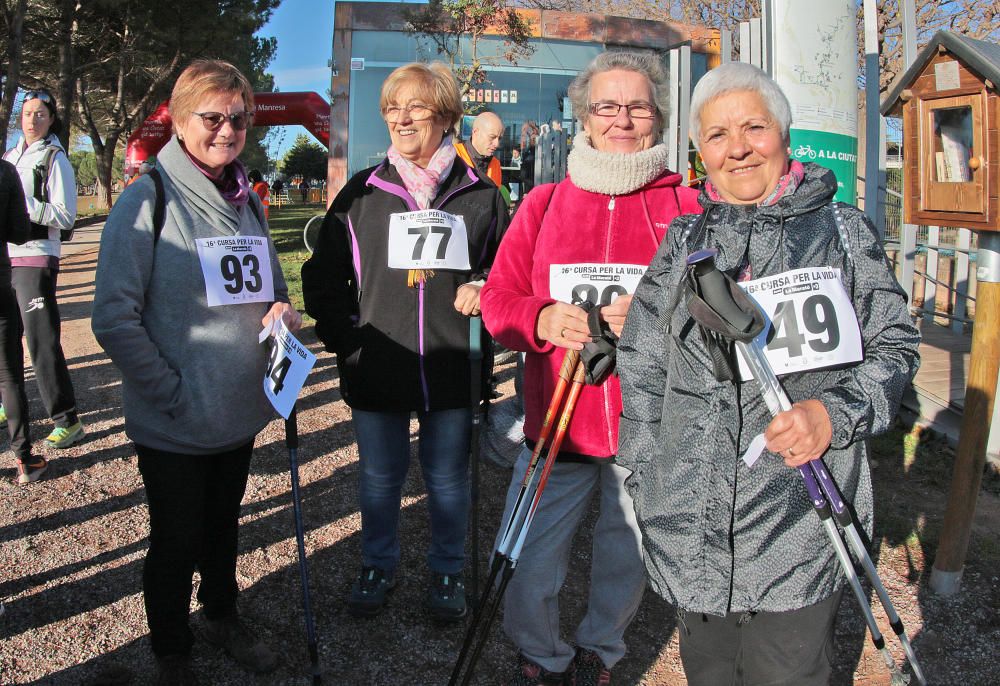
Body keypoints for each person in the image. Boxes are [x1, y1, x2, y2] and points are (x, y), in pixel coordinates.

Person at [617, 62, 920, 686]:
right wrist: (646, 473)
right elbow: (643, 361)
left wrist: (834, 412)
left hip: (798, 518)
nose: (738, 149)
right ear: (701, 153)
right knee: (709, 672)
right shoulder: (683, 240)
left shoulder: (840, 232)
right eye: (718, 136)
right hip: (691, 519)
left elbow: (895, 346)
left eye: (753, 127)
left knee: (786, 671)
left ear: (784, 136)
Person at [479, 51, 701, 685]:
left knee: (624, 554)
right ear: (584, 115)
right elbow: (498, 300)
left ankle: (602, 648)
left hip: (648, 425)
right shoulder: (545, 203)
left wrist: (662, 315)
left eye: (637, 106)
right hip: (559, 422)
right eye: (607, 106)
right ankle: (539, 651)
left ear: (658, 117)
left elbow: (717, 310)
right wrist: (541, 319)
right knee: (532, 555)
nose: (622, 119)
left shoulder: (687, 207)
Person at [92, 59, 301, 685]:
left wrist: (281, 310)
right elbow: (113, 317)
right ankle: (171, 649)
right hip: (177, 419)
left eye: (239, 119)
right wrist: (169, 392)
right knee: (175, 539)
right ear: (182, 121)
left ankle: (220, 614)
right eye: (212, 118)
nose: (227, 130)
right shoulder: (148, 199)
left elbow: (272, 286)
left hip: (235, 412)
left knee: (222, 527)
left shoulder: (247, 201)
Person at [302, 61, 508, 622]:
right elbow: (322, 277)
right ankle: (378, 563)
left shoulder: (482, 196)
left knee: (447, 478)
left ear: (445, 116)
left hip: (451, 365)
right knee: (379, 476)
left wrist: (485, 288)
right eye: (393, 108)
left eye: (416, 107)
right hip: (379, 365)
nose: (402, 118)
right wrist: (348, 342)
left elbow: (510, 272)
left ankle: (446, 570)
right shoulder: (362, 193)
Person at [2, 89, 85, 449]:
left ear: (52, 120)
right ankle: (8, 403)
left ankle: (67, 420)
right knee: (5, 339)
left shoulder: (55, 159)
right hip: (5, 257)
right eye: (28, 113)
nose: (33, 120)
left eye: (41, 114)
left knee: (41, 342)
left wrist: (24, 206)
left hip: (36, 256)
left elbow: (66, 217)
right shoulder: (9, 156)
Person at [0, 159, 39, 484]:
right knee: (9, 375)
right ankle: (24, 459)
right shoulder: (4, 171)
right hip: (0, 285)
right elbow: (19, 231)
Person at [454, 111, 504, 187]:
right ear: (476, 132)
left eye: (499, 138)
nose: (497, 144)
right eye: (492, 137)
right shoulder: (453, 155)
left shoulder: (496, 165)